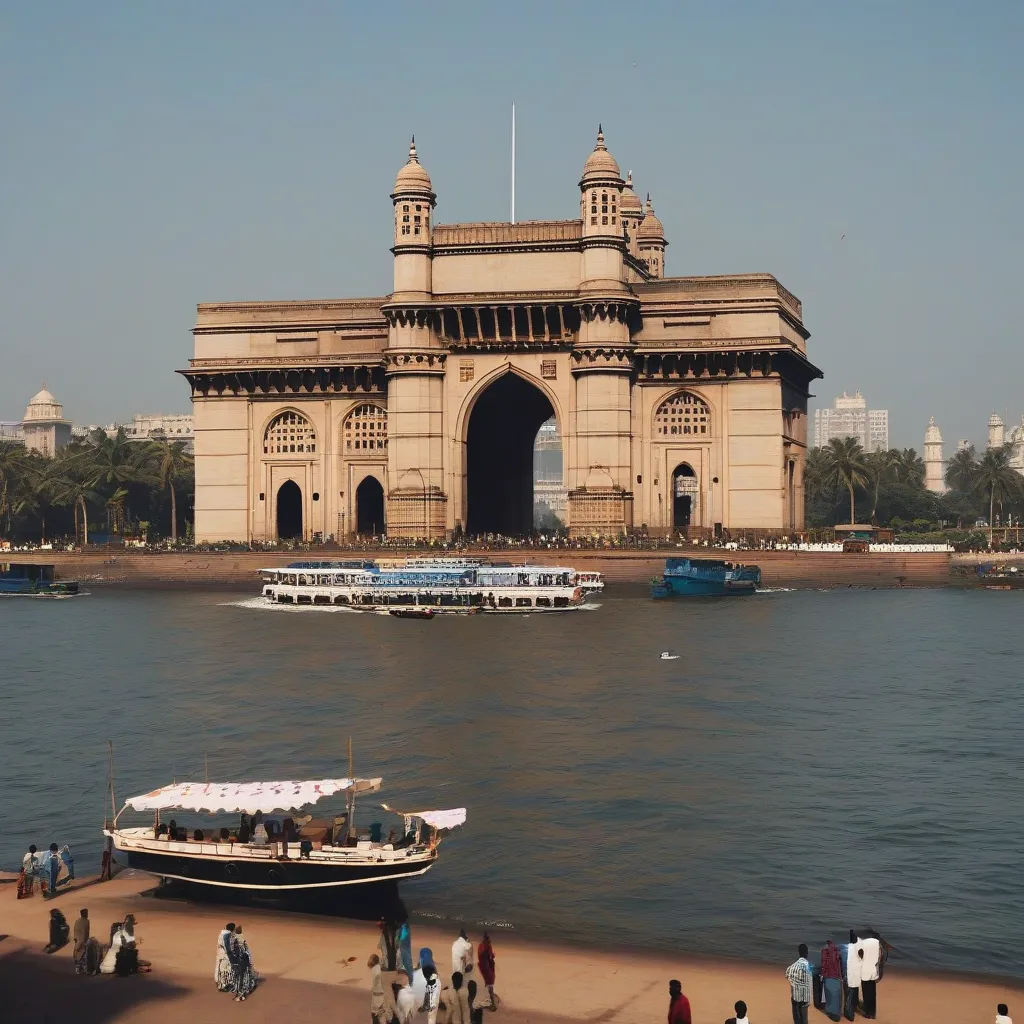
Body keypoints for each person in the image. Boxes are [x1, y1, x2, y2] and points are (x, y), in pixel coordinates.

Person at [785, 945, 813, 1024]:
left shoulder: (793, 966)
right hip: (804, 998)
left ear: (799, 953)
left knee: (796, 1018)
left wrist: (794, 983)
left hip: (795, 997)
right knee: (804, 1020)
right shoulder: (807, 966)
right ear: (807, 953)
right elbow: (808, 984)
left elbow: (787, 975)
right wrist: (809, 1000)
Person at [819, 939, 843, 1021]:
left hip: (828, 976)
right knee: (837, 995)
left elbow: (824, 964)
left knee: (829, 995)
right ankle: (837, 1012)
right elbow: (840, 965)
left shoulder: (824, 951)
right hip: (836, 976)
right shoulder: (837, 951)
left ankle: (830, 1011)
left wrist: (822, 974)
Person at [858, 932, 881, 1018]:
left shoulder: (863, 943)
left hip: (865, 971)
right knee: (872, 993)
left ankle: (867, 1012)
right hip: (874, 971)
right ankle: (873, 1013)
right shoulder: (878, 944)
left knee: (866, 992)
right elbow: (881, 957)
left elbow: (859, 954)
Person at [234, 925, 259, 998]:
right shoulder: (242, 939)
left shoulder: (235, 939)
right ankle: (246, 989)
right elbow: (246, 951)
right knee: (245, 975)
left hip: (239, 960)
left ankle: (240, 991)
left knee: (239, 976)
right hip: (244, 959)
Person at [842, 931, 861, 1021]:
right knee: (851, 994)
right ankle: (849, 1013)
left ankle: (850, 1010)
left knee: (848, 994)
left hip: (846, 975)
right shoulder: (857, 950)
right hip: (853, 975)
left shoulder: (844, 948)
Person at [477, 931, 498, 1010]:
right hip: (486, 967)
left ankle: (491, 1002)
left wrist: (491, 955)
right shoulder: (485, 946)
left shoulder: (483, 946)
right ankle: (491, 1002)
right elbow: (486, 955)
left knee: (489, 985)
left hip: (486, 967)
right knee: (489, 985)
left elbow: (489, 956)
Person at [368, 953, 388, 1024]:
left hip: (377, 997)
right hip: (381, 996)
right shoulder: (379, 968)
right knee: (381, 1016)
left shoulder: (375, 969)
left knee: (376, 1015)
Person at [216, 923, 236, 991]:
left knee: (222, 970)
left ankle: (222, 985)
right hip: (225, 955)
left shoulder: (222, 933)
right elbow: (227, 946)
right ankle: (223, 986)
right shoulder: (226, 935)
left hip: (221, 954)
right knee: (225, 970)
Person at [73, 909, 90, 974]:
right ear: (84, 914)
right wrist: (85, 941)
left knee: (78, 954)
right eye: (86, 913)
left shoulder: (77, 921)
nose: (87, 914)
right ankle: (83, 969)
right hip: (83, 940)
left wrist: (76, 939)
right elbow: (86, 932)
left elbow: (75, 930)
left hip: (77, 940)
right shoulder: (87, 921)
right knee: (83, 955)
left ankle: (78, 969)